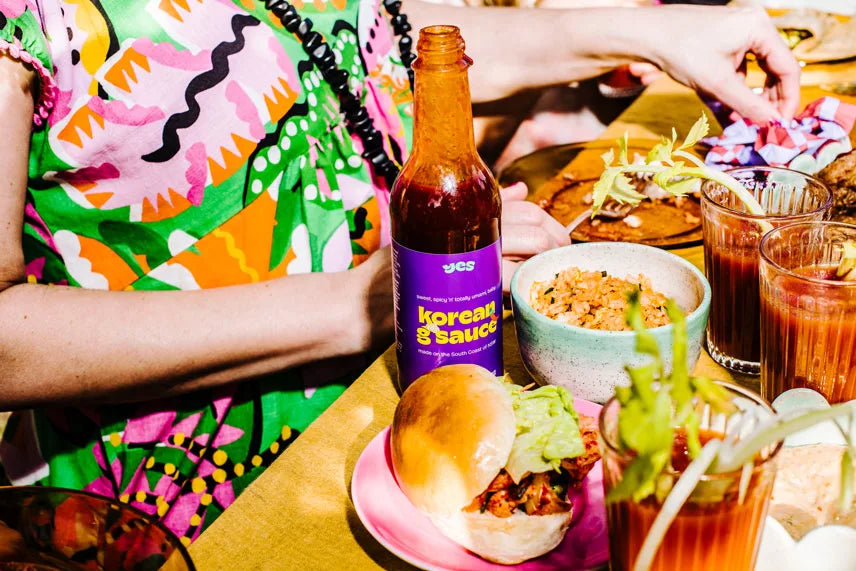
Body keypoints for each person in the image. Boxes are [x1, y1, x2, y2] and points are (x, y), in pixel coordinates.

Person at [0, 0, 797, 544]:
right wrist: (366, 298)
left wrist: (653, 32)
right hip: (180, 505)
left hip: (412, 417)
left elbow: (403, 41)